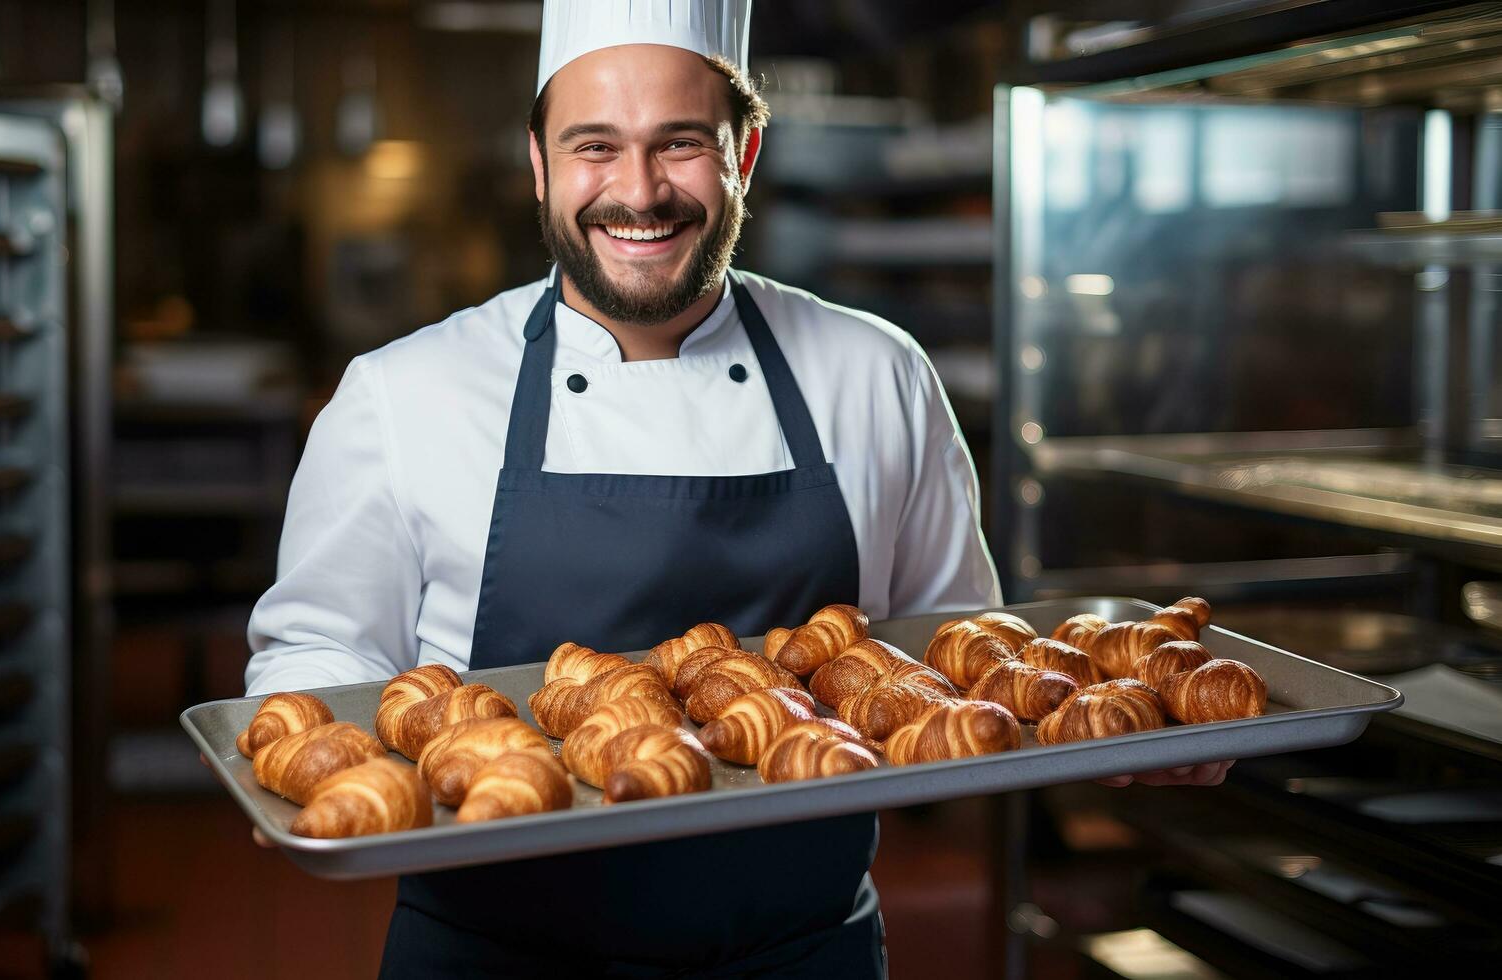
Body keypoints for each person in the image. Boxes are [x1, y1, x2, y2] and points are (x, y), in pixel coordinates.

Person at [244, 2, 1229, 975]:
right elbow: (321, 648)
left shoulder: (874, 372)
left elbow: (960, 659)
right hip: (491, 957)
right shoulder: (404, 393)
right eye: (594, 146)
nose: (638, 191)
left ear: (743, 156)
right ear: (538, 163)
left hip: (806, 954)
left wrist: (1112, 730)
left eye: (680, 144)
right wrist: (301, 770)